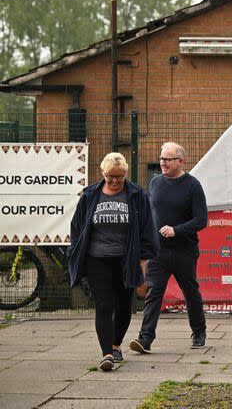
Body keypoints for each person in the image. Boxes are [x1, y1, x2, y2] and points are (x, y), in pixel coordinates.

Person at [68, 152, 158, 372]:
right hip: (96, 259)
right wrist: (75, 250)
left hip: (126, 259)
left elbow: (147, 228)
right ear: (103, 174)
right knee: (104, 304)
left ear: (126, 173)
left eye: (119, 176)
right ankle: (106, 353)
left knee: (124, 306)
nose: (115, 181)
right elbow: (77, 226)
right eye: (111, 177)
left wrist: (143, 263)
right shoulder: (90, 195)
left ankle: (116, 344)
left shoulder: (136, 195)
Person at [129, 142, 208, 353]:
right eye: (162, 158)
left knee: (190, 292)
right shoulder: (155, 183)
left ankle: (199, 332)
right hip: (158, 251)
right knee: (154, 292)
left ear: (180, 161)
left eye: (168, 159)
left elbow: (201, 220)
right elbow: (149, 214)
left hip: (184, 250)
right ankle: (145, 339)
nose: (163, 163)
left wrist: (177, 230)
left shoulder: (193, 185)